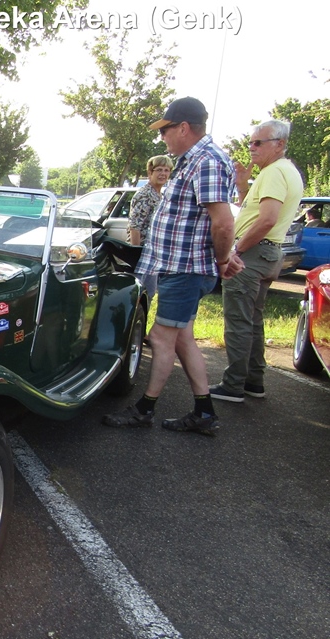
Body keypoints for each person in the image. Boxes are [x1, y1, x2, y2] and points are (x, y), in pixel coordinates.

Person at [102, 96, 241, 436]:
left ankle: (145, 409)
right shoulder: (195, 160)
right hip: (181, 267)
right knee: (183, 339)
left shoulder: (206, 161)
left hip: (185, 269)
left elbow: (223, 222)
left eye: (166, 129)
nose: (162, 136)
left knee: (161, 338)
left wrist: (224, 259)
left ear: (184, 128)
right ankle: (204, 412)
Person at [209, 120, 304, 403]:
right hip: (268, 253)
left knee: (239, 320)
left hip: (254, 253)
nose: (251, 148)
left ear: (280, 144)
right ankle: (253, 380)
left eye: (258, 142)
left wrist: (236, 251)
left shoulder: (274, 172)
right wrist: (242, 187)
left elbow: (267, 220)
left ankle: (233, 385)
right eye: (250, 142)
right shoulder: (284, 171)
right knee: (252, 320)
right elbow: (254, 213)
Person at [128, 155, 174, 299]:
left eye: (166, 170)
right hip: (143, 254)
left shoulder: (160, 195)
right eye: (159, 170)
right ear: (150, 172)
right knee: (138, 294)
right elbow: (134, 227)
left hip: (154, 254)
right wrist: (135, 254)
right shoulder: (145, 194)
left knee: (149, 294)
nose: (163, 174)